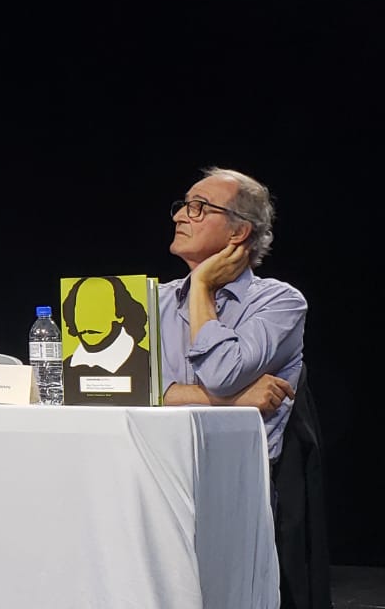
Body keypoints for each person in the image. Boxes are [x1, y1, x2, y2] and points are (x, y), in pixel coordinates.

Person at [160, 167, 306, 461]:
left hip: (236, 472)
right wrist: (231, 399)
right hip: (156, 462)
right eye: (184, 206)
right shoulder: (154, 300)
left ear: (238, 232)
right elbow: (102, 390)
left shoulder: (280, 302)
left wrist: (201, 286)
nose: (179, 217)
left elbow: (221, 376)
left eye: (198, 207)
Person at [61, 275, 152, 405]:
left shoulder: (146, 363)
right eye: (82, 310)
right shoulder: (64, 368)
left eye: (98, 309)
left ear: (120, 313)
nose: (88, 321)